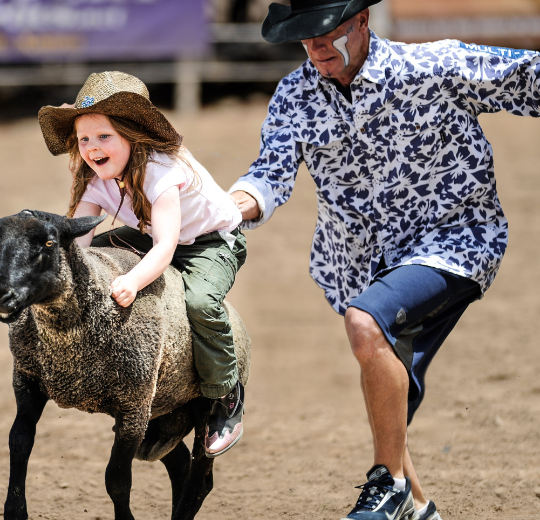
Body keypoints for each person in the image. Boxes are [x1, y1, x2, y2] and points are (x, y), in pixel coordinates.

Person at [229, 1, 540, 519]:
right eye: (304, 38)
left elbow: (531, 78)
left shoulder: (436, 66)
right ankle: (417, 506)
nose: (316, 48)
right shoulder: (294, 95)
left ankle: (387, 486)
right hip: (356, 264)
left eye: (326, 32)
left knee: (367, 324)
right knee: (384, 379)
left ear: (362, 21)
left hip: (454, 241)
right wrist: (227, 208)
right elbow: (268, 175)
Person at [38, 71, 248, 457]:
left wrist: (132, 281)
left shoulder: (161, 172)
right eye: (84, 139)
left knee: (201, 302)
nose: (92, 147)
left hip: (210, 242)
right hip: (154, 236)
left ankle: (225, 397)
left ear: (132, 135)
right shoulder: (94, 178)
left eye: (104, 136)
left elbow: (166, 246)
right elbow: (78, 243)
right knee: (95, 257)